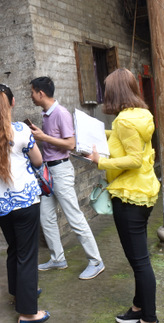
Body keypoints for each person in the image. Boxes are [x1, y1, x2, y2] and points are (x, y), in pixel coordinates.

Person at [87, 68, 161, 323]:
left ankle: (149, 318)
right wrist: (100, 135)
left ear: (114, 92)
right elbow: (124, 138)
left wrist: (100, 162)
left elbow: (134, 159)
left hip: (129, 196)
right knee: (140, 259)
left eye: (107, 90)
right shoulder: (141, 115)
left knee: (140, 262)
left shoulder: (124, 121)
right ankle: (139, 308)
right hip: (143, 191)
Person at [0, 84, 50, 323]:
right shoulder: (21, 130)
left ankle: (19, 293)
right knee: (27, 255)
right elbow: (38, 161)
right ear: (13, 102)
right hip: (25, 201)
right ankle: (28, 313)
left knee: (15, 248)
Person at [29, 76, 105, 280]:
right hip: (48, 171)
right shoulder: (46, 114)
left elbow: (71, 144)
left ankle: (96, 261)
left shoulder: (61, 113)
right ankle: (57, 258)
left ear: (41, 93)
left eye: (32, 92)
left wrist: (43, 137)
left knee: (73, 216)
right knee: (46, 217)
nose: (31, 96)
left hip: (61, 170)